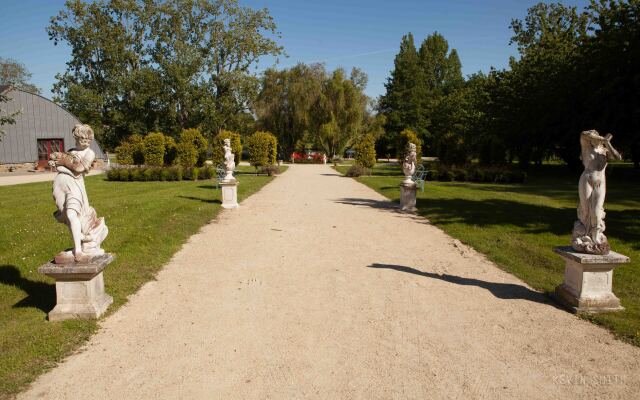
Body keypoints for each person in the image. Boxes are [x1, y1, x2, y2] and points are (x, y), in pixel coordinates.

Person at [49, 124, 108, 262]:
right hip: (60, 184)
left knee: (72, 213)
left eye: (88, 141)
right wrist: (59, 161)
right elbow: (61, 164)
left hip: (75, 185)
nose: (86, 143)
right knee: (67, 217)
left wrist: (64, 161)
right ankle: (80, 239)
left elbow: (80, 168)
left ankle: (79, 250)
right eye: (83, 140)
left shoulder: (89, 153)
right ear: (76, 138)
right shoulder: (70, 151)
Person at [572, 130, 621, 254]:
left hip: (600, 182)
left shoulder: (605, 151)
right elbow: (583, 134)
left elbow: (617, 157)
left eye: (594, 137)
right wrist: (601, 138)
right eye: (592, 137)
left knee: (596, 212)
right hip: (586, 180)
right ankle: (584, 237)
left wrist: (607, 143)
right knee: (585, 210)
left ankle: (596, 239)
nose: (593, 139)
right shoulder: (586, 147)